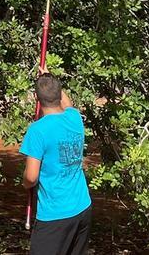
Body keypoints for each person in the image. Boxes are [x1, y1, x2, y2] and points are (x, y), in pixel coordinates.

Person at [21, 74, 91, 255]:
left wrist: (25, 184)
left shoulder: (37, 130)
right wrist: (49, 75)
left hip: (55, 215)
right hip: (82, 208)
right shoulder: (74, 117)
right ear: (60, 94)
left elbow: (31, 176)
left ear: (36, 98)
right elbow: (67, 104)